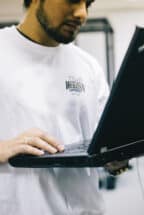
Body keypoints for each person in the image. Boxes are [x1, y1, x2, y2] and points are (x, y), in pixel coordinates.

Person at [0, 0, 127, 214]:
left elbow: (103, 140)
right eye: (72, 0)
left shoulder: (88, 66)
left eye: (88, 3)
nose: (82, 14)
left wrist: (114, 157)